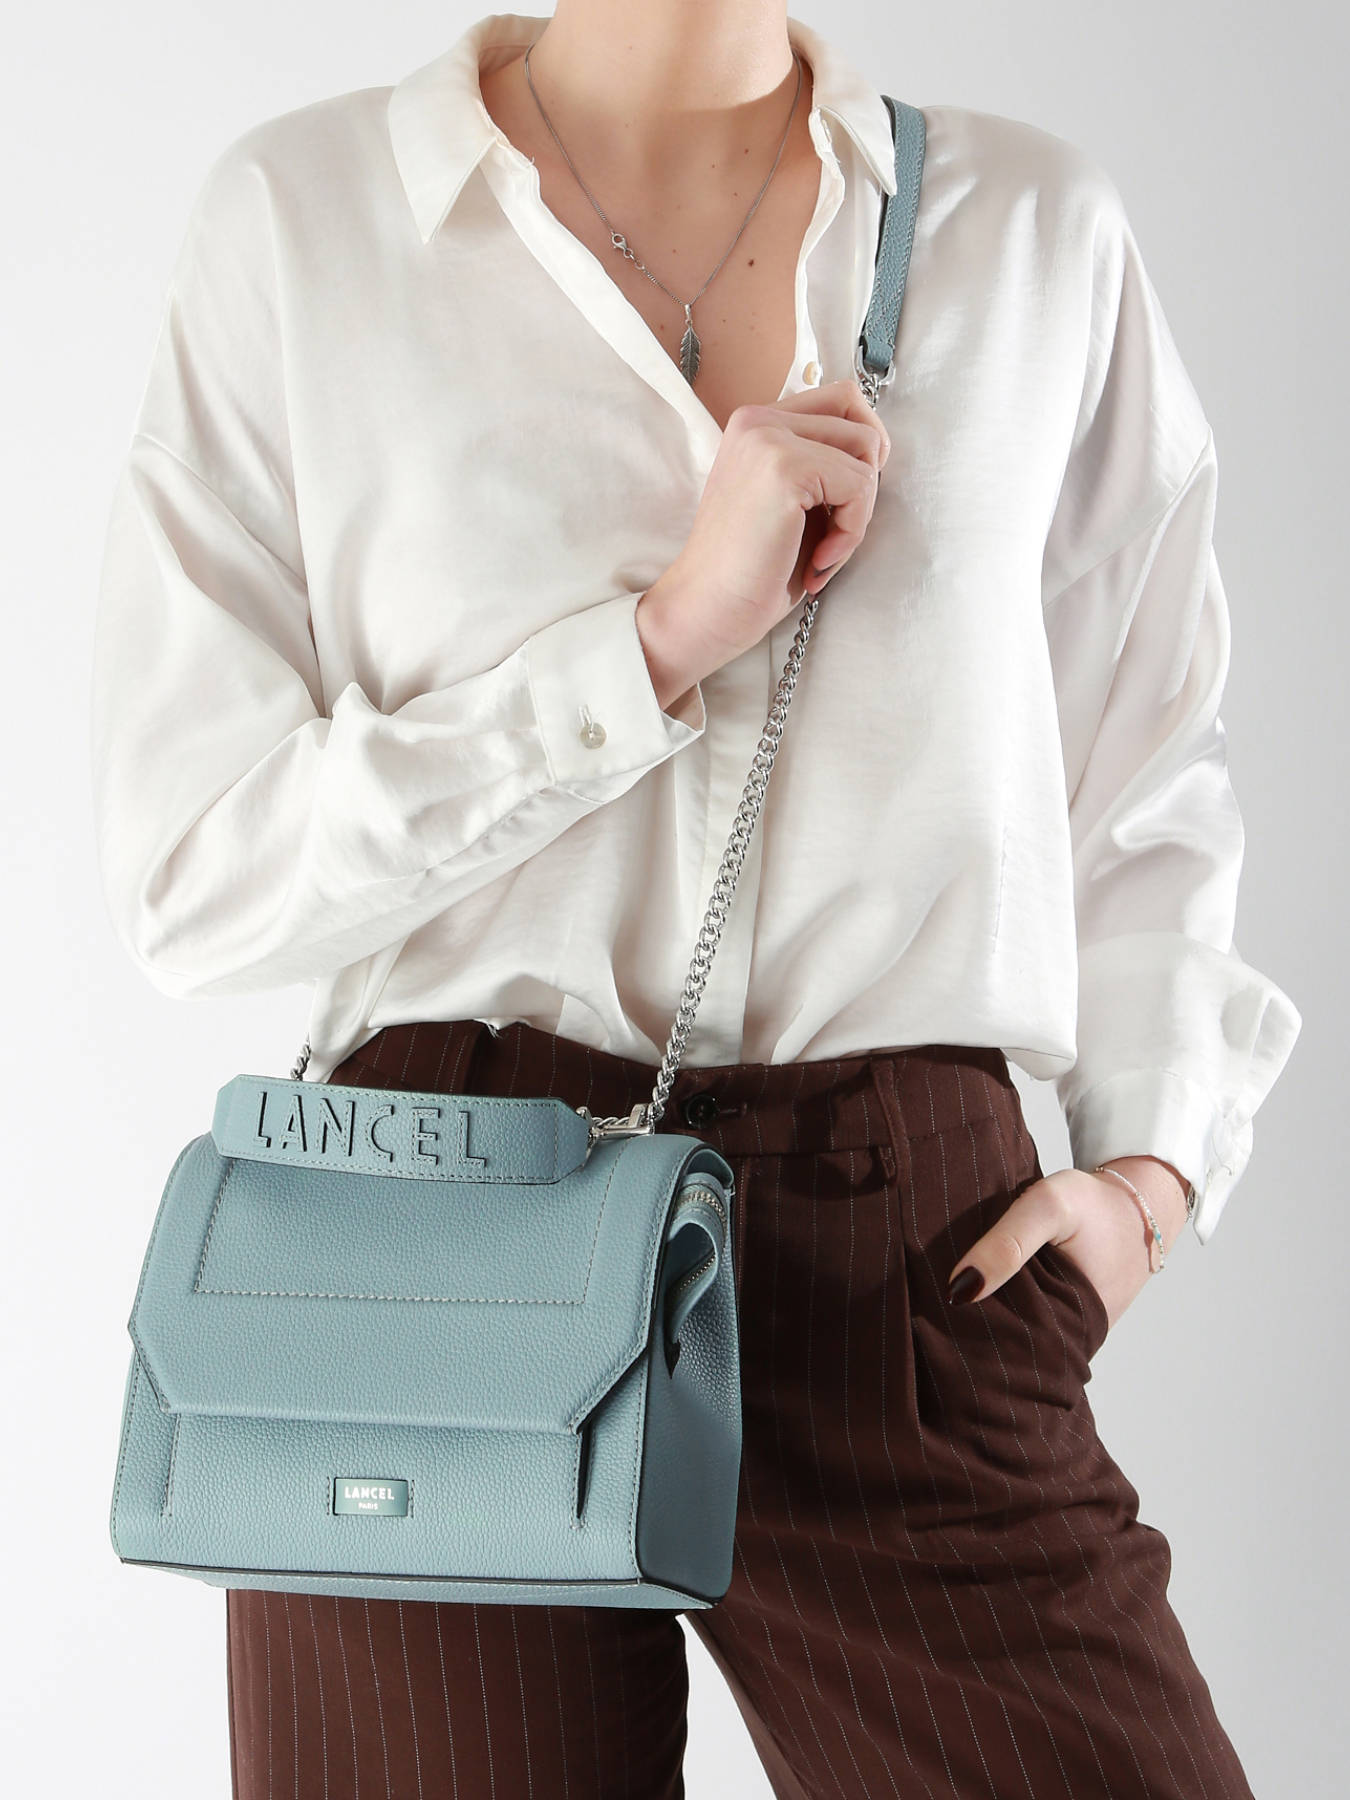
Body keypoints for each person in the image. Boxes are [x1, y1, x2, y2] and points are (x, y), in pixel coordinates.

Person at [91, 5, 1302, 1796]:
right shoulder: (308, 214)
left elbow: (1143, 758)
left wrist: (1151, 1171)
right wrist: (650, 650)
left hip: (910, 1252)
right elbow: (194, 873)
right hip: (431, 1245)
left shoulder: (1031, 227)